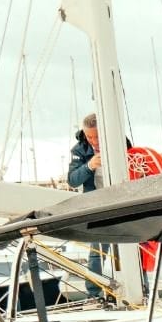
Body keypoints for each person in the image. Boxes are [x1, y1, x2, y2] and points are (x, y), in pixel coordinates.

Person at [67, 113, 108, 299]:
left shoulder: (121, 143)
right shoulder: (80, 149)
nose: (93, 141)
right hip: (97, 204)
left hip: (122, 199)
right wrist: (89, 166)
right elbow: (72, 180)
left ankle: (142, 287)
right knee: (97, 251)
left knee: (131, 247)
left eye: (97, 136)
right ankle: (94, 294)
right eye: (89, 136)